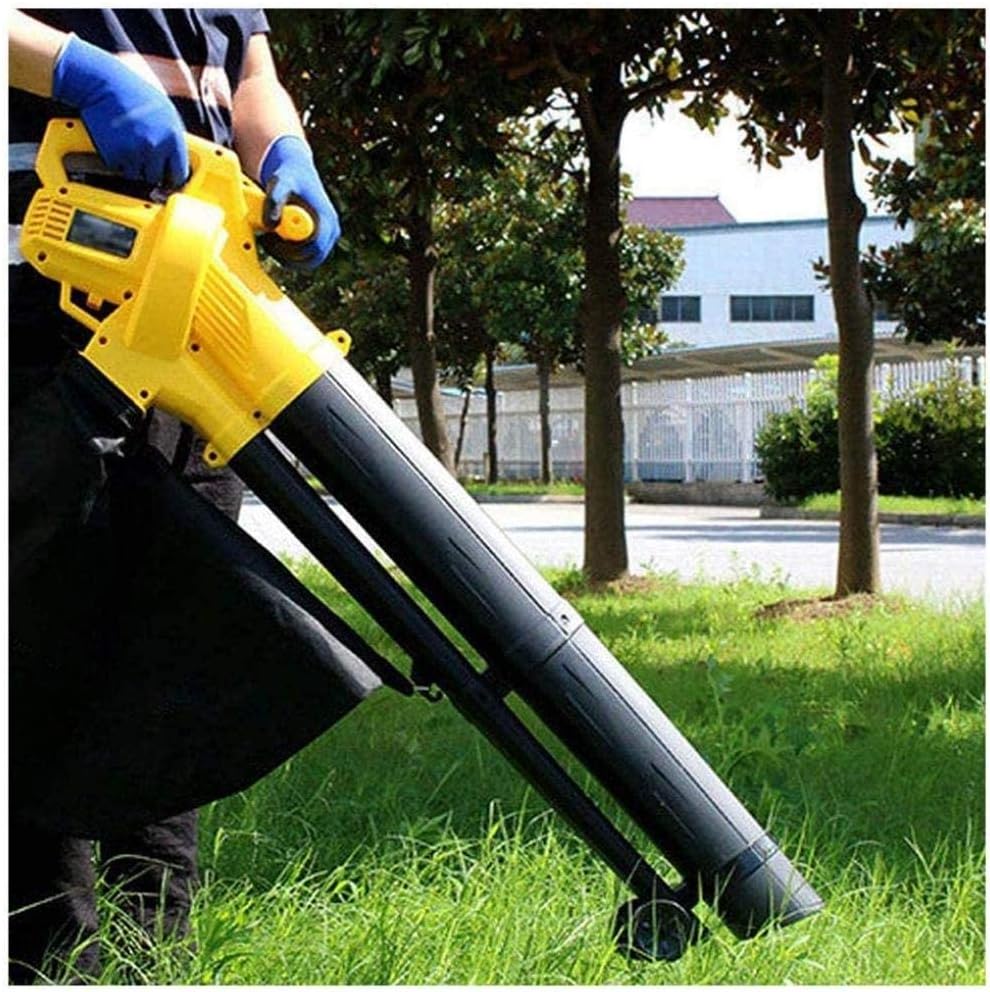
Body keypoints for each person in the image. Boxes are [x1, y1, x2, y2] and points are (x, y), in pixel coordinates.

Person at [8, 9, 354, 983]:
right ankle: (43, 957)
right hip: (45, 294)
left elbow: (250, 65)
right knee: (42, 644)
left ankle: (152, 954)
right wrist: (74, 69)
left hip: (202, 299)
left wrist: (278, 145)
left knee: (173, 638)